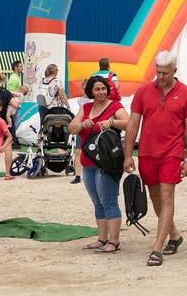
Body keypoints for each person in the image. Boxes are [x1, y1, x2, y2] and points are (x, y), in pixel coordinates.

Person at [123, 51, 187, 267]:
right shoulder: (144, 91)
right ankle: (174, 234)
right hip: (147, 152)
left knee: (166, 195)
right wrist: (128, 154)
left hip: (172, 153)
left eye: (165, 72)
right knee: (155, 196)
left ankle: (157, 247)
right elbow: (133, 123)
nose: (161, 76)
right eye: (158, 72)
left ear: (175, 70)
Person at [70, 75, 129, 252]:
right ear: (91, 91)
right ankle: (102, 238)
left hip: (107, 162)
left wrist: (111, 122)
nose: (101, 92)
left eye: (103, 88)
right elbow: (71, 128)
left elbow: (129, 123)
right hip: (88, 162)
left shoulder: (115, 106)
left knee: (109, 200)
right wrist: (81, 125)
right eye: (97, 89)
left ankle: (114, 241)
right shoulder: (86, 107)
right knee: (97, 202)